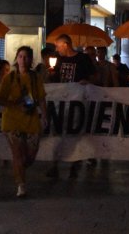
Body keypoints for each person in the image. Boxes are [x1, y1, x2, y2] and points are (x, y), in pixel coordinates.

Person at [0, 46, 47, 197]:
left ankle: (20, 169)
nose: (23, 60)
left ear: (31, 59)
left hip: (31, 120)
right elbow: (1, 99)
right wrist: (16, 105)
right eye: (20, 56)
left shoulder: (35, 78)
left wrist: (45, 115)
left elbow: (41, 98)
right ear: (16, 58)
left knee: (29, 156)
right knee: (17, 155)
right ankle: (21, 185)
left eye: (26, 57)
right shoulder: (9, 78)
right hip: (12, 121)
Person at [47, 33, 96, 178]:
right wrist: (51, 74)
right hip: (60, 102)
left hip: (77, 102)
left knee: (74, 133)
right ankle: (54, 164)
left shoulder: (83, 59)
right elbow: (55, 80)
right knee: (56, 132)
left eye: (58, 46)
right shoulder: (58, 60)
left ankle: (74, 164)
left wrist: (87, 81)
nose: (57, 49)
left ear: (66, 44)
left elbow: (95, 76)